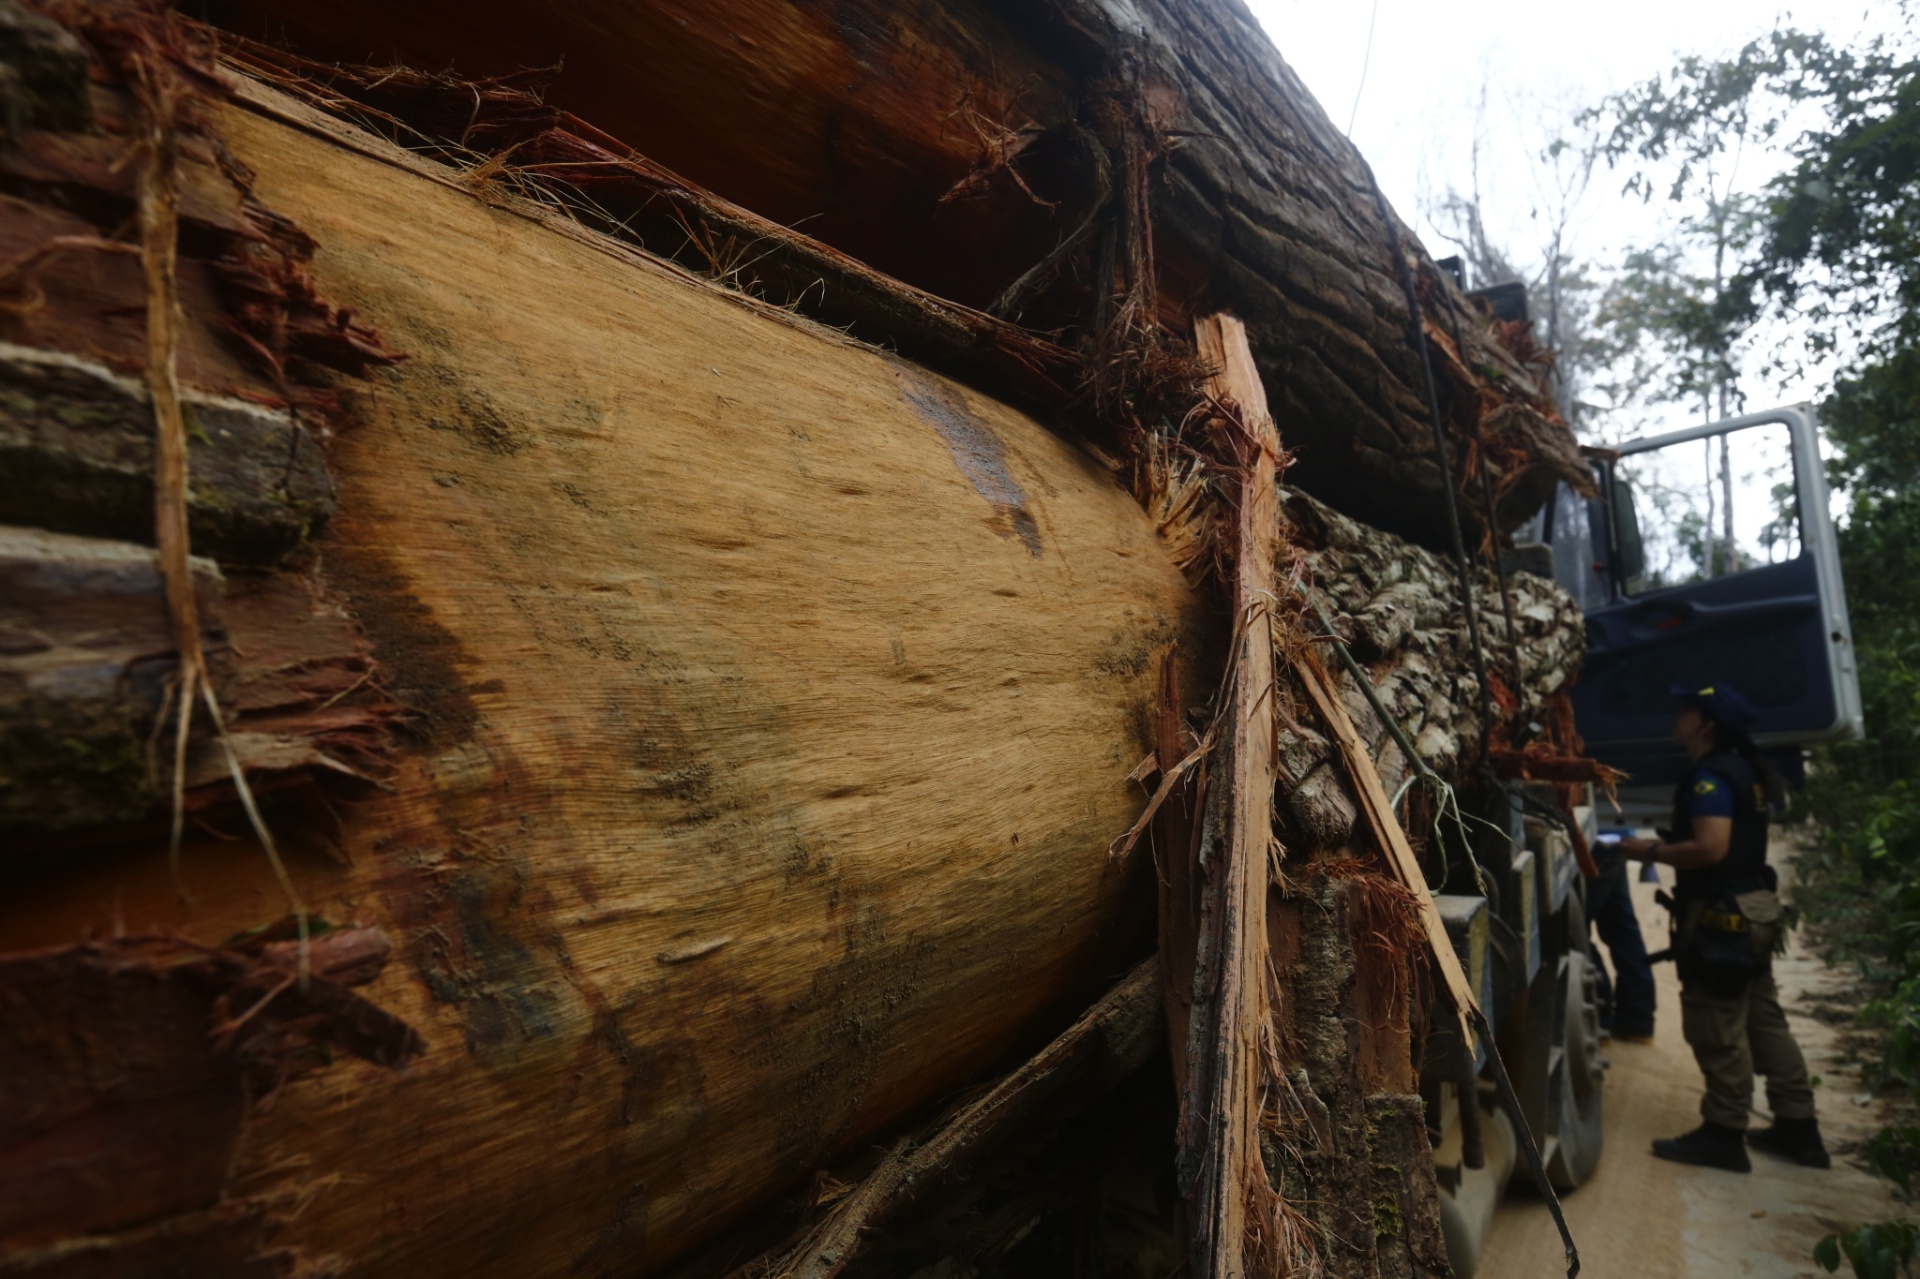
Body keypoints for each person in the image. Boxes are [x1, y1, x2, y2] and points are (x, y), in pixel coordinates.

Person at [1618, 683, 1829, 1173]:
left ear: (1706, 725)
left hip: (1722, 914)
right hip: (1752, 906)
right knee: (1762, 1017)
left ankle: (1723, 1134)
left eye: (1687, 710)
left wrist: (1648, 851)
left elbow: (1711, 848)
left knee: (1717, 1023)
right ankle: (1800, 1128)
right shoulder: (1744, 770)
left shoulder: (1710, 777)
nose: (1678, 716)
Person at [1587, 837, 1657, 1043]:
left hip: (1588, 842)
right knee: (1622, 930)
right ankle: (1637, 1022)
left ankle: (1599, 1018)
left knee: (1571, 931)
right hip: (1616, 839)